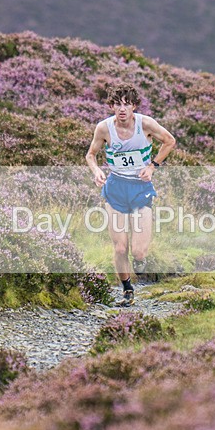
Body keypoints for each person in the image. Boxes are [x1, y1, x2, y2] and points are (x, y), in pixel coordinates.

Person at [85, 83, 176, 307]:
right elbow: (91, 154)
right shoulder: (104, 128)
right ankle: (127, 290)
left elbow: (170, 141)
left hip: (140, 188)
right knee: (120, 247)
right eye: (117, 104)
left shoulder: (145, 124)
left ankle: (140, 262)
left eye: (127, 104)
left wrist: (153, 166)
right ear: (112, 106)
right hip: (115, 188)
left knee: (138, 252)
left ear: (134, 106)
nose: (122, 109)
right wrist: (97, 171)